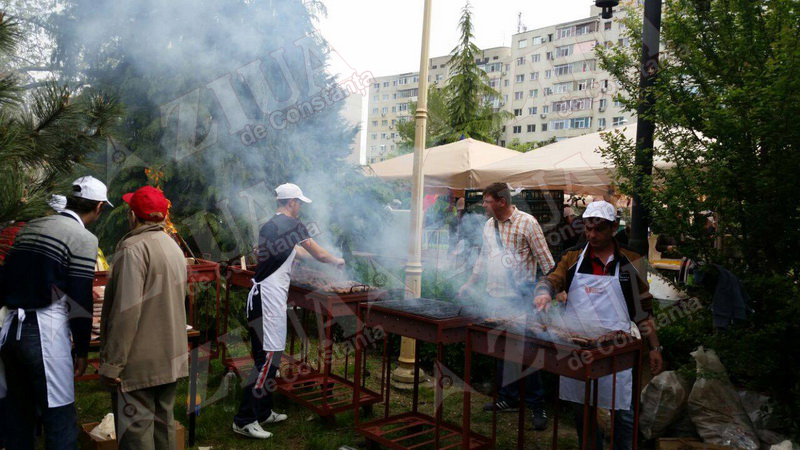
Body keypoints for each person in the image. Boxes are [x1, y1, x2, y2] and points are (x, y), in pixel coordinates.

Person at [534, 200, 664, 450]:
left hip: (618, 349)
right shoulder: (573, 256)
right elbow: (552, 278)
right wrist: (543, 292)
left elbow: (644, 312)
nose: (591, 235)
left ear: (614, 227)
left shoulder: (632, 261)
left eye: (599, 229)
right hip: (579, 347)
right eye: (588, 228)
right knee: (583, 409)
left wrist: (655, 348)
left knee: (623, 412)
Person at [0, 176, 111, 450]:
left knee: (18, 418)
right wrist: (83, 350)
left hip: (10, 329)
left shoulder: (31, 226)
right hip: (45, 331)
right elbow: (79, 297)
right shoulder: (82, 237)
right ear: (98, 207)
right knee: (60, 420)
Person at [232, 183, 345, 439]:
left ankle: (262, 411)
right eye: (300, 203)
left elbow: (299, 252)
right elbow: (316, 253)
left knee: (270, 357)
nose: (301, 207)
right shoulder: (293, 225)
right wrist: (337, 260)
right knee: (267, 360)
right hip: (268, 299)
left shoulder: (271, 225)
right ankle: (244, 420)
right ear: (291, 201)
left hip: (263, 298)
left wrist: (315, 259)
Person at [458, 182, 555, 431]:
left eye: (487, 201)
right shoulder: (490, 225)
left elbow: (547, 262)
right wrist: (470, 282)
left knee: (527, 352)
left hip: (521, 298)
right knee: (502, 350)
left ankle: (537, 405)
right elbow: (483, 256)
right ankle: (508, 398)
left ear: (501, 201)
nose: (483, 205)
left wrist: (552, 292)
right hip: (495, 297)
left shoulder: (528, 223)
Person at [98, 186, 188, 449]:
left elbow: (127, 313)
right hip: (170, 356)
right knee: (165, 427)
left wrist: (112, 365)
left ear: (133, 216)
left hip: (139, 363)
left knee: (137, 434)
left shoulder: (132, 248)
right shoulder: (173, 247)